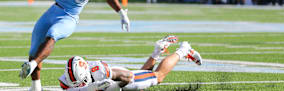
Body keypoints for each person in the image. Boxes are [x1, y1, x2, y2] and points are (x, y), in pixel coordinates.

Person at [19, 0, 131, 91]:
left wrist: (121, 12)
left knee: (53, 35)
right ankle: (35, 87)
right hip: (54, 10)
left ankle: (32, 65)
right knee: (33, 51)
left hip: (69, 16)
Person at [58, 35, 202, 91]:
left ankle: (184, 49)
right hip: (107, 83)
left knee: (157, 77)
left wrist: (113, 86)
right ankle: (158, 50)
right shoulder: (67, 79)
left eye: (82, 82)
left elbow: (128, 77)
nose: (79, 85)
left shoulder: (100, 71)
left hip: (119, 78)